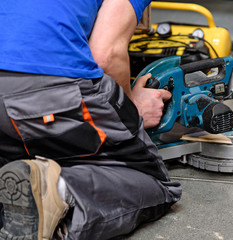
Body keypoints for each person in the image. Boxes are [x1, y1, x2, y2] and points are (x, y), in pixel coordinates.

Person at [0, 0, 182, 239]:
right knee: (152, 182)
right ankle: (55, 190)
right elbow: (106, 55)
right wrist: (133, 106)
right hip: (46, 83)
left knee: (18, 162)